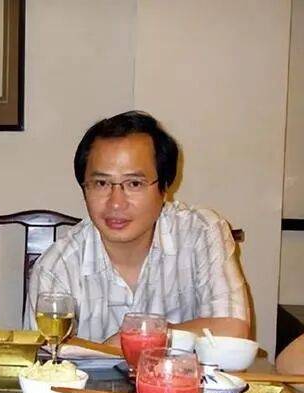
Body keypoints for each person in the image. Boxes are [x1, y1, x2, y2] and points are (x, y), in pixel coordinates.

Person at [24, 111, 249, 344]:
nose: (116, 203)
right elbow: (46, 357)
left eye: (134, 183)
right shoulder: (56, 268)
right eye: (101, 183)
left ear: (164, 188)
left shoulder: (200, 232)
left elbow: (233, 328)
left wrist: (140, 337)